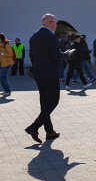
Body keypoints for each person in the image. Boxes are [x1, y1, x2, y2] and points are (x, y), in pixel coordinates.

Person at [25, 14, 75, 144]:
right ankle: (34, 127)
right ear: (50, 22)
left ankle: (49, 132)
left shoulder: (34, 36)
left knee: (45, 102)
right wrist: (68, 54)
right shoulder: (50, 36)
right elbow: (58, 55)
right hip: (50, 74)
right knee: (53, 101)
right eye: (56, 22)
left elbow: (32, 56)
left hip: (39, 73)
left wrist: (38, 67)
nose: (57, 25)